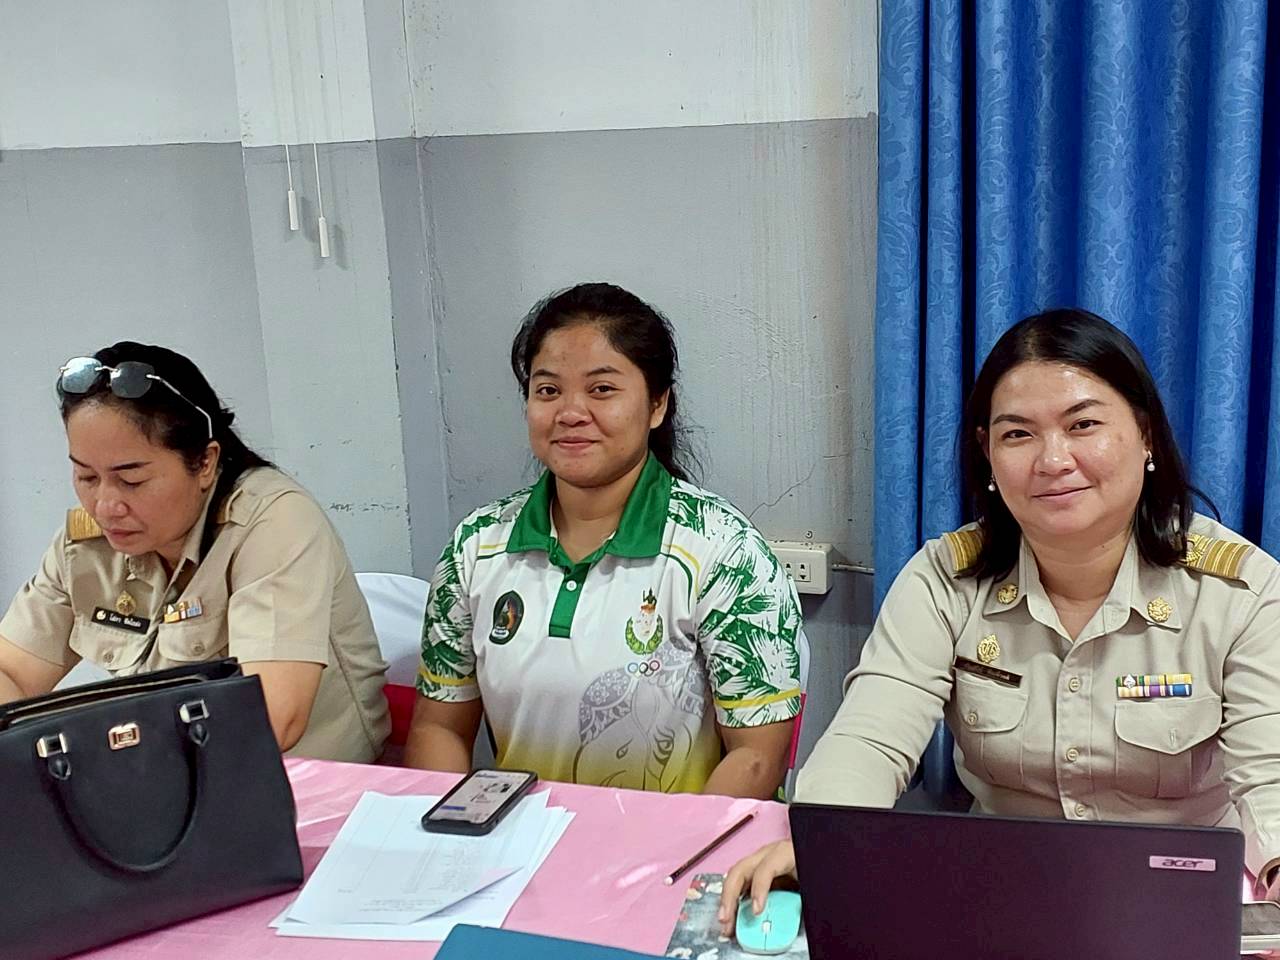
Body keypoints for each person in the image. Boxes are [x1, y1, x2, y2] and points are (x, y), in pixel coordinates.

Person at [720, 308, 1280, 927]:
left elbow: (1272, 774)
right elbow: (872, 736)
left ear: (1145, 435)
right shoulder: (945, 580)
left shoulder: (1239, 592)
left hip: (1182, 897)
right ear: (987, 453)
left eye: (1083, 425)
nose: (1053, 460)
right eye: (1018, 435)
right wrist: (821, 844)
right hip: (1002, 893)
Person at [404, 282, 803, 798]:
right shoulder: (476, 546)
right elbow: (438, 727)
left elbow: (756, 758)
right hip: (519, 838)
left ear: (657, 404)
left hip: (678, 840)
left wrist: (679, 848)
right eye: (548, 391)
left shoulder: (725, 552)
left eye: (601, 390)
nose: (570, 412)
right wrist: (449, 832)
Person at [0, 343, 390, 762]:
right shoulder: (86, 545)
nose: (106, 506)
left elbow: (272, 719)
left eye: (131, 480)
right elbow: (11, 671)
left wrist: (96, 754)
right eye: (86, 476)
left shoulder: (273, 522)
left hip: (302, 778)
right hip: (153, 774)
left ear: (205, 462)